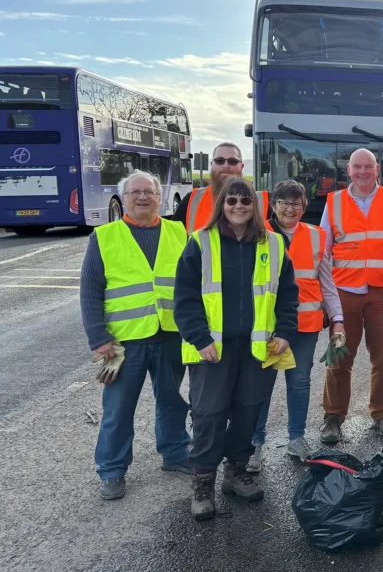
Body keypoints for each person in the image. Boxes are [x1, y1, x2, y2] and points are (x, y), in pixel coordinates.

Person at [174, 177, 299, 521]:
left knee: (247, 412)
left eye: (245, 201)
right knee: (209, 415)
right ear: (222, 205)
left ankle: (236, 471)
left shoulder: (273, 244)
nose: (239, 206)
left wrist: (286, 331)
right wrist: (200, 339)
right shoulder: (200, 242)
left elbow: (288, 294)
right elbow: (184, 299)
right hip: (212, 349)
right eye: (232, 201)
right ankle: (203, 483)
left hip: (255, 348)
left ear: (254, 207)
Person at [80, 171, 191, 500]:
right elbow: (90, 292)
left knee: (172, 402)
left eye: (149, 192)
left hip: (170, 334)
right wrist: (98, 338)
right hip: (122, 343)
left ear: (160, 197)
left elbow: (193, 283)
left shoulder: (179, 232)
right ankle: (112, 470)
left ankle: (176, 453)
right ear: (123, 198)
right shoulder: (104, 236)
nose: (142, 197)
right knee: (118, 409)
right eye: (134, 193)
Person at [247, 180, 346, 472]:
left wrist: (337, 319)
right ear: (273, 205)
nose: (290, 209)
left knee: (300, 381)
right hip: (265, 326)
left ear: (304, 207)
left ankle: (296, 438)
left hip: (304, 324)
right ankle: (255, 444)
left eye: (296, 204)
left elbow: (327, 282)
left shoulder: (317, 236)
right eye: (284, 203)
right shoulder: (256, 233)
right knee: (261, 385)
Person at [318, 149, 383, 442]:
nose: (363, 172)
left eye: (368, 167)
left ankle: (382, 414)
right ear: (349, 169)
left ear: (377, 169)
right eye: (358, 167)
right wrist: (324, 297)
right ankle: (333, 416)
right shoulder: (334, 202)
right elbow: (323, 252)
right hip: (344, 292)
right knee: (339, 356)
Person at [174, 142, 268, 233]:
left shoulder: (262, 202)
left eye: (232, 161)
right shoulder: (192, 199)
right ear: (212, 165)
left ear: (242, 166)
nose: (226, 165)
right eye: (219, 161)